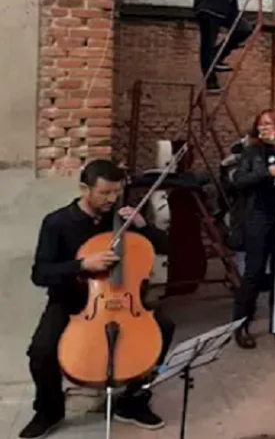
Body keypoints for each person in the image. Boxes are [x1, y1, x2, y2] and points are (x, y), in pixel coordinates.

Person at [20, 160, 174, 438]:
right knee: (41, 352)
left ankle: (132, 401)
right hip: (71, 302)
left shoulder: (123, 218)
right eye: (104, 193)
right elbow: (40, 273)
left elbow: (164, 246)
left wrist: (143, 226)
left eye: (116, 192)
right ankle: (49, 410)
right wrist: (81, 265)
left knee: (164, 329)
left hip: (125, 301)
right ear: (84, 188)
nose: (112, 199)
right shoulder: (57, 222)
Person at [230, 109, 275, 349]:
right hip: (258, 216)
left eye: (269, 124)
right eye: (261, 124)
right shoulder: (250, 151)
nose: (263, 128)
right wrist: (266, 173)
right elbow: (238, 181)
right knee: (254, 272)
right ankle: (241, 324)